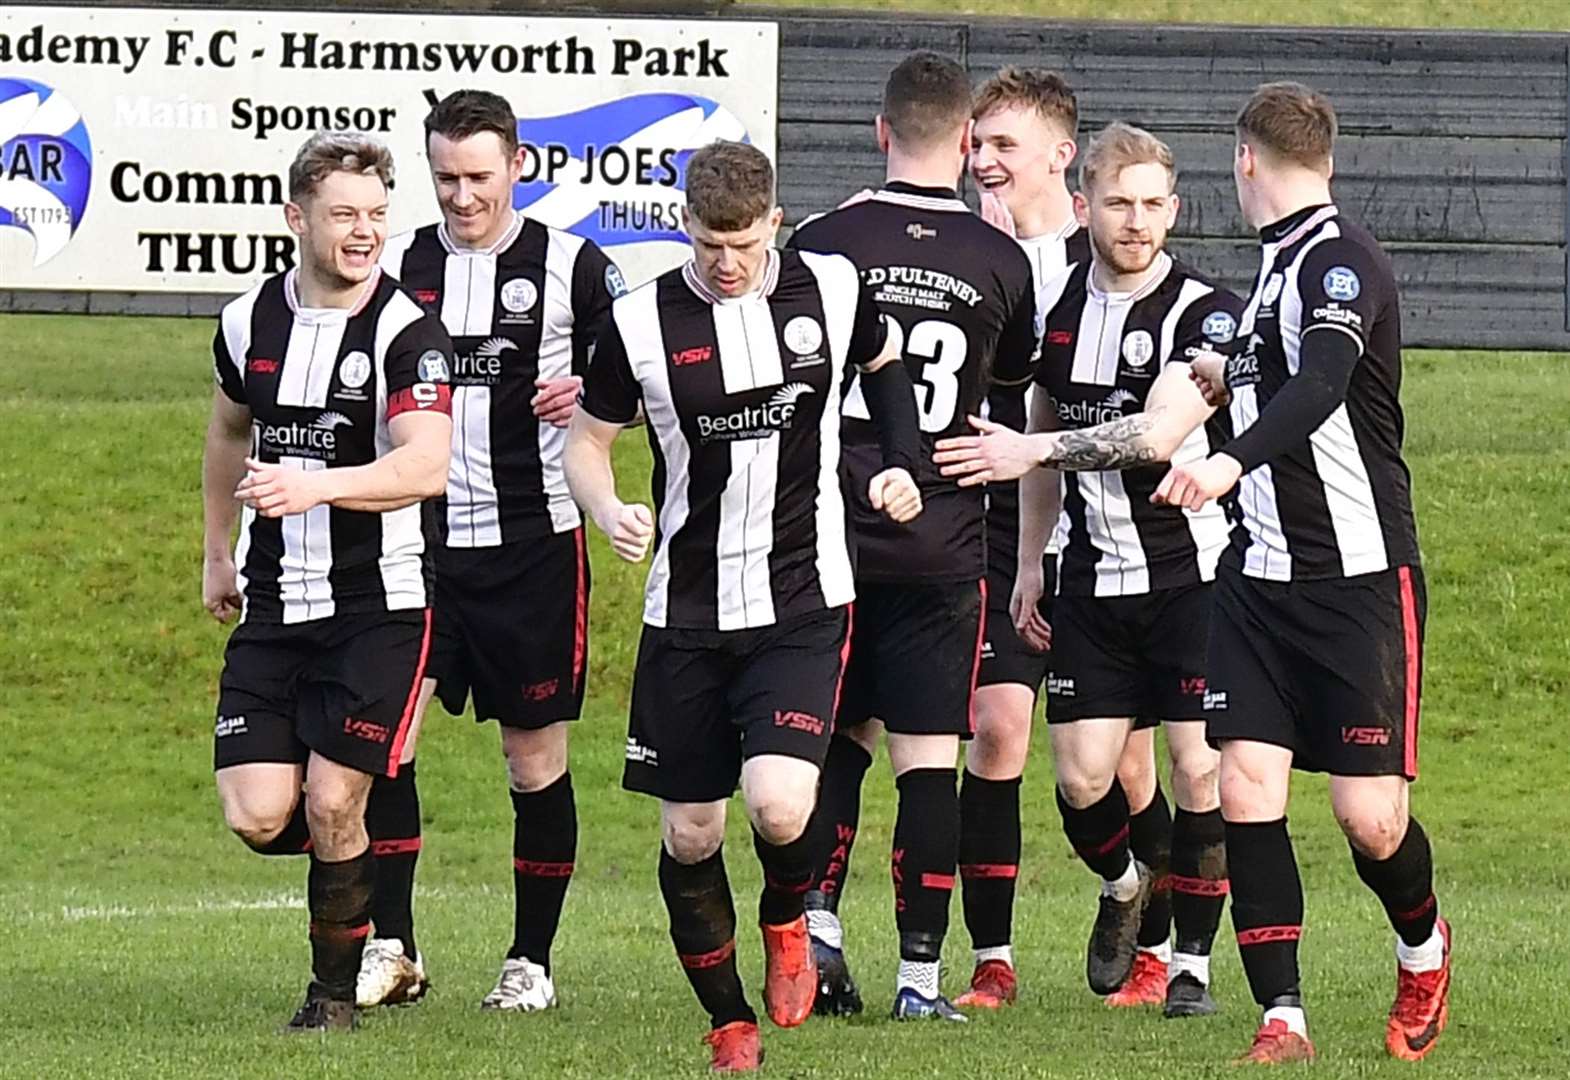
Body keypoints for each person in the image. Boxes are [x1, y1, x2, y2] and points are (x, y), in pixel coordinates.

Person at [564, 139, 922, 1072]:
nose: (728, 263)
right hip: (685, 611)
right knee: (691, 832)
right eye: (709, 243)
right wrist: (607, 509)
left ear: (775, 222)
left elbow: (885, 364)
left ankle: (787, 916)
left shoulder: (833, 289)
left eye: (745, 244)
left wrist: (896, 462)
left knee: (776, 805)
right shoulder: (639, 321)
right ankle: (729, 1023)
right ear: (686, 225)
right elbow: (587, 443)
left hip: (803, 598)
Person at [1151, 82, 1450, 1064]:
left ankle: (1422, 948)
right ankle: (1282, 1017)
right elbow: (1254, 386)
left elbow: (1322, 384)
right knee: (1244, 789)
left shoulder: (1339, 261)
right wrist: (1208, 390)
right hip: (1255, 582)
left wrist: (1226, 461)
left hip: (1358, 582)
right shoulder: (1265, 280)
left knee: (1368, 818)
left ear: (1244, 159)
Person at [934, 122, 1241, 1017]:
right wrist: (1031, 562)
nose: (1137, 221)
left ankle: (1189, 969)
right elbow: (1036, 422)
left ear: (1175, 210)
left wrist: (1033, 446)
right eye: (1118, 203)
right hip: (1091, 581)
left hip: (1195, 576)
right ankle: (1124, 885)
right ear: (1083, 208)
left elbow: (1153, 435)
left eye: (1152, 205)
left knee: (1196, 771)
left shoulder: (1203, 313)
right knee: (1080, 780)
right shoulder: (1056, 307)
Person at [356, 89, 623, 1011]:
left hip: (532, 547)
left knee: (532, 759)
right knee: (386, 745)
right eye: (443, 178)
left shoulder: (573, 267)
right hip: (413, 544)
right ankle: (392, 946)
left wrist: (586, 384)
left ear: (518, 165)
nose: (462, 196)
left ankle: (531, 963)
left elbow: (630, 379)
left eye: (478, 176)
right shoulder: (396, 267)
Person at [788, 51, 1039, 1022]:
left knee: (833, 744)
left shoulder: (826, 239)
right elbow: (1008, 396)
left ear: (880, 133)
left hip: (834, 531)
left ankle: (817, 933)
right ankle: (921, 985)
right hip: (943, 539)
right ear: (967, 143)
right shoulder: (1000, 259)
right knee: (929, 759)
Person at [203, 131, 454, 1032]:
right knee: (259, 813)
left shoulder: (405, 332)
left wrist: (315, 486)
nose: (364, 232)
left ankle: (332, 996)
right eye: (345, 214)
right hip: (274, 605)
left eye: (378, 215)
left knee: (332, 796)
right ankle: (356, 862)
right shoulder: (247, 321)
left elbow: (426, 465)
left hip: (377, 610)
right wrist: (215, 548)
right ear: (296, 217)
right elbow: (230, 429)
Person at [957, 65, 1087, 1010]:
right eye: (978, 143)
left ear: (1060, 154)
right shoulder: (958, 251)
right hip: (980, 532)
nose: (986, 161)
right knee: (996, 730)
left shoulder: (1105, 254)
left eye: (1006, 145)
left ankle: (1143, 907)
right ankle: (990, 958)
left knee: (1107, 773)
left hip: (1095, 537)